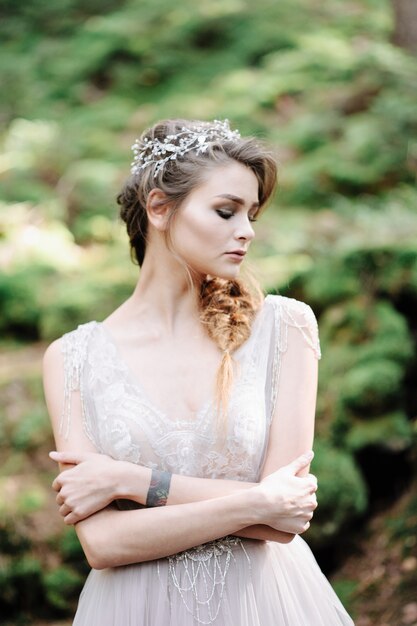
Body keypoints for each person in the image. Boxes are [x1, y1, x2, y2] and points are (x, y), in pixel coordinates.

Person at [43, 119, 354, 625]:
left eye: (251, 215)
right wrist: (254, 503)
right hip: (131, 610)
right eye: (226, 211)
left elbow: (286, 518)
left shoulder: (285, 327)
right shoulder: (72, 358)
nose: (247, 231)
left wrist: (134, 481)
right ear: (160, 208)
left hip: (267, 604)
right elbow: (102, 543)